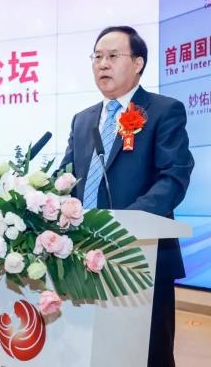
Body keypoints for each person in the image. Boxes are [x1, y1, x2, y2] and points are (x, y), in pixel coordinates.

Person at [58, 26, 194, 367]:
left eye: (112, 56)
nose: (102, 64)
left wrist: (123, 224)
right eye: (97, 57)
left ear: (137, 63)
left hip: (141, 255)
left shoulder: (164, 111)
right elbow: (65, 178)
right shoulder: (83, 120)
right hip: (82, 254)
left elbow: (173, 177)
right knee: (91, 350)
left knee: (148, 354)